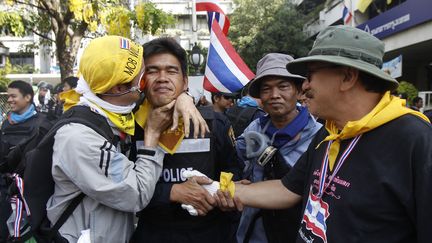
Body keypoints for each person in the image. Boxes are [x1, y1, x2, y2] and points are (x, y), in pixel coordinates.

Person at [215, 25, 432, 243]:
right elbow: (286, 189)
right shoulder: (329, 134)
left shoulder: (416, 141)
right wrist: (217, 189)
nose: (305, 86)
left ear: (347, 77)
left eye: (310, 75)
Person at [46, 35, 205, 243]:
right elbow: (136, 194)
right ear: (121, 89)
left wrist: (185, 97)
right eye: (145, 75)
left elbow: (170, 92)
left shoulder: (116, 113)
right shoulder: (79, 138)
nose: (154, 80)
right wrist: (152, 137)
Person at [130, 37, 240, 243]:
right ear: (141, 80)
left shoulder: (215, 122)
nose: (162, 78)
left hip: (209, 234)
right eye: (153, 70)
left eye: (171, 71)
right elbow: (119, 189)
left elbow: (235, 172)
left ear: (185, 81)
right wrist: (172, 192)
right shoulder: (129, 126)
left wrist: (220, 193)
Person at [235, 53, 322, 243]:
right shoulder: (253, 129)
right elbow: (236, 163)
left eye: (283, 86)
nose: (274, 95)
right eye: (266, 89)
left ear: (299, 92)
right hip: (254, 234)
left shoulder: (320, 137)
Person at [0, 80, 47, 242]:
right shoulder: (6, 123)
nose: (10, 100)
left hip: (30, 193)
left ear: (28, 97)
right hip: (6, 190)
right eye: (8, 96)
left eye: (14, 96)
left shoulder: (43, 122)